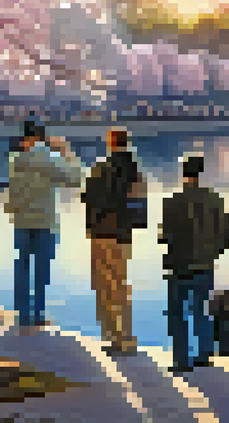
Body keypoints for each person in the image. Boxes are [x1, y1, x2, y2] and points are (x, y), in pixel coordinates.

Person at [159, 152, 229, 374]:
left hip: (179, 265)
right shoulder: (214, 199)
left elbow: (164, 236)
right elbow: (226, 233)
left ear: (183, 172)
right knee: (201, 310)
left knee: (177, 313)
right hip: (205, 264)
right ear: (200, 172)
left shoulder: (172, 201)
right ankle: (203, 355)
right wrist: (213, 252)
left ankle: (181, 360)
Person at [4, 119, 83, 328]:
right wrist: (66, 151)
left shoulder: (15, 159)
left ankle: (22, 315)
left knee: (22, 267)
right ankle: (38, 315)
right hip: (44, 220)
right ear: (41, 137)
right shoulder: (47, 157)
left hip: (21, 219)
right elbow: (76, 178)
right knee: (41, 270)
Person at [81, 127, 148, 355]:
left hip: (100, 234)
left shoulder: (99, 168)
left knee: (103, 285)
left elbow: (86, 197)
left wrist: (92, 224)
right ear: (126, 143)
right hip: (122, 236)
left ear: (110, 142)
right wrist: (132, 226)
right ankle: (127, 337)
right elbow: (140, 204)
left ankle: (111, 336)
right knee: (121, 284)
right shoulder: (135, 170)